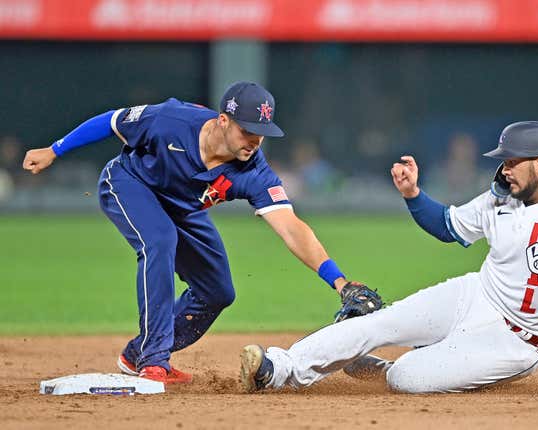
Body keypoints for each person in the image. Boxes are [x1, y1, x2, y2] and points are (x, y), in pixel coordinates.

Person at [240, 121, 538, 398]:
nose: (504, 168)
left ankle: (394, 369)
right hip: (473, 295)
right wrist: (414, 194)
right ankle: (280, 369)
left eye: (512, 161)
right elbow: (447, 226)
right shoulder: (502, 199)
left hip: (518, 341)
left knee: (407, 379)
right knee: (381, 321)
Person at [22, 81, 368, 384]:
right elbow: (111, 121)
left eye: (260, 133)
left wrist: (340, 282)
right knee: (159, 241)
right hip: (130, 183)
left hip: (182, 206)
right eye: (246, 130)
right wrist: (54, 150)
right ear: (223, 121)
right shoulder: (170, 121)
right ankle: (153, 360)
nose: (254, 141)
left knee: (218, 291)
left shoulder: (254, 172)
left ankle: (136, 354)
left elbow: (291, 228)